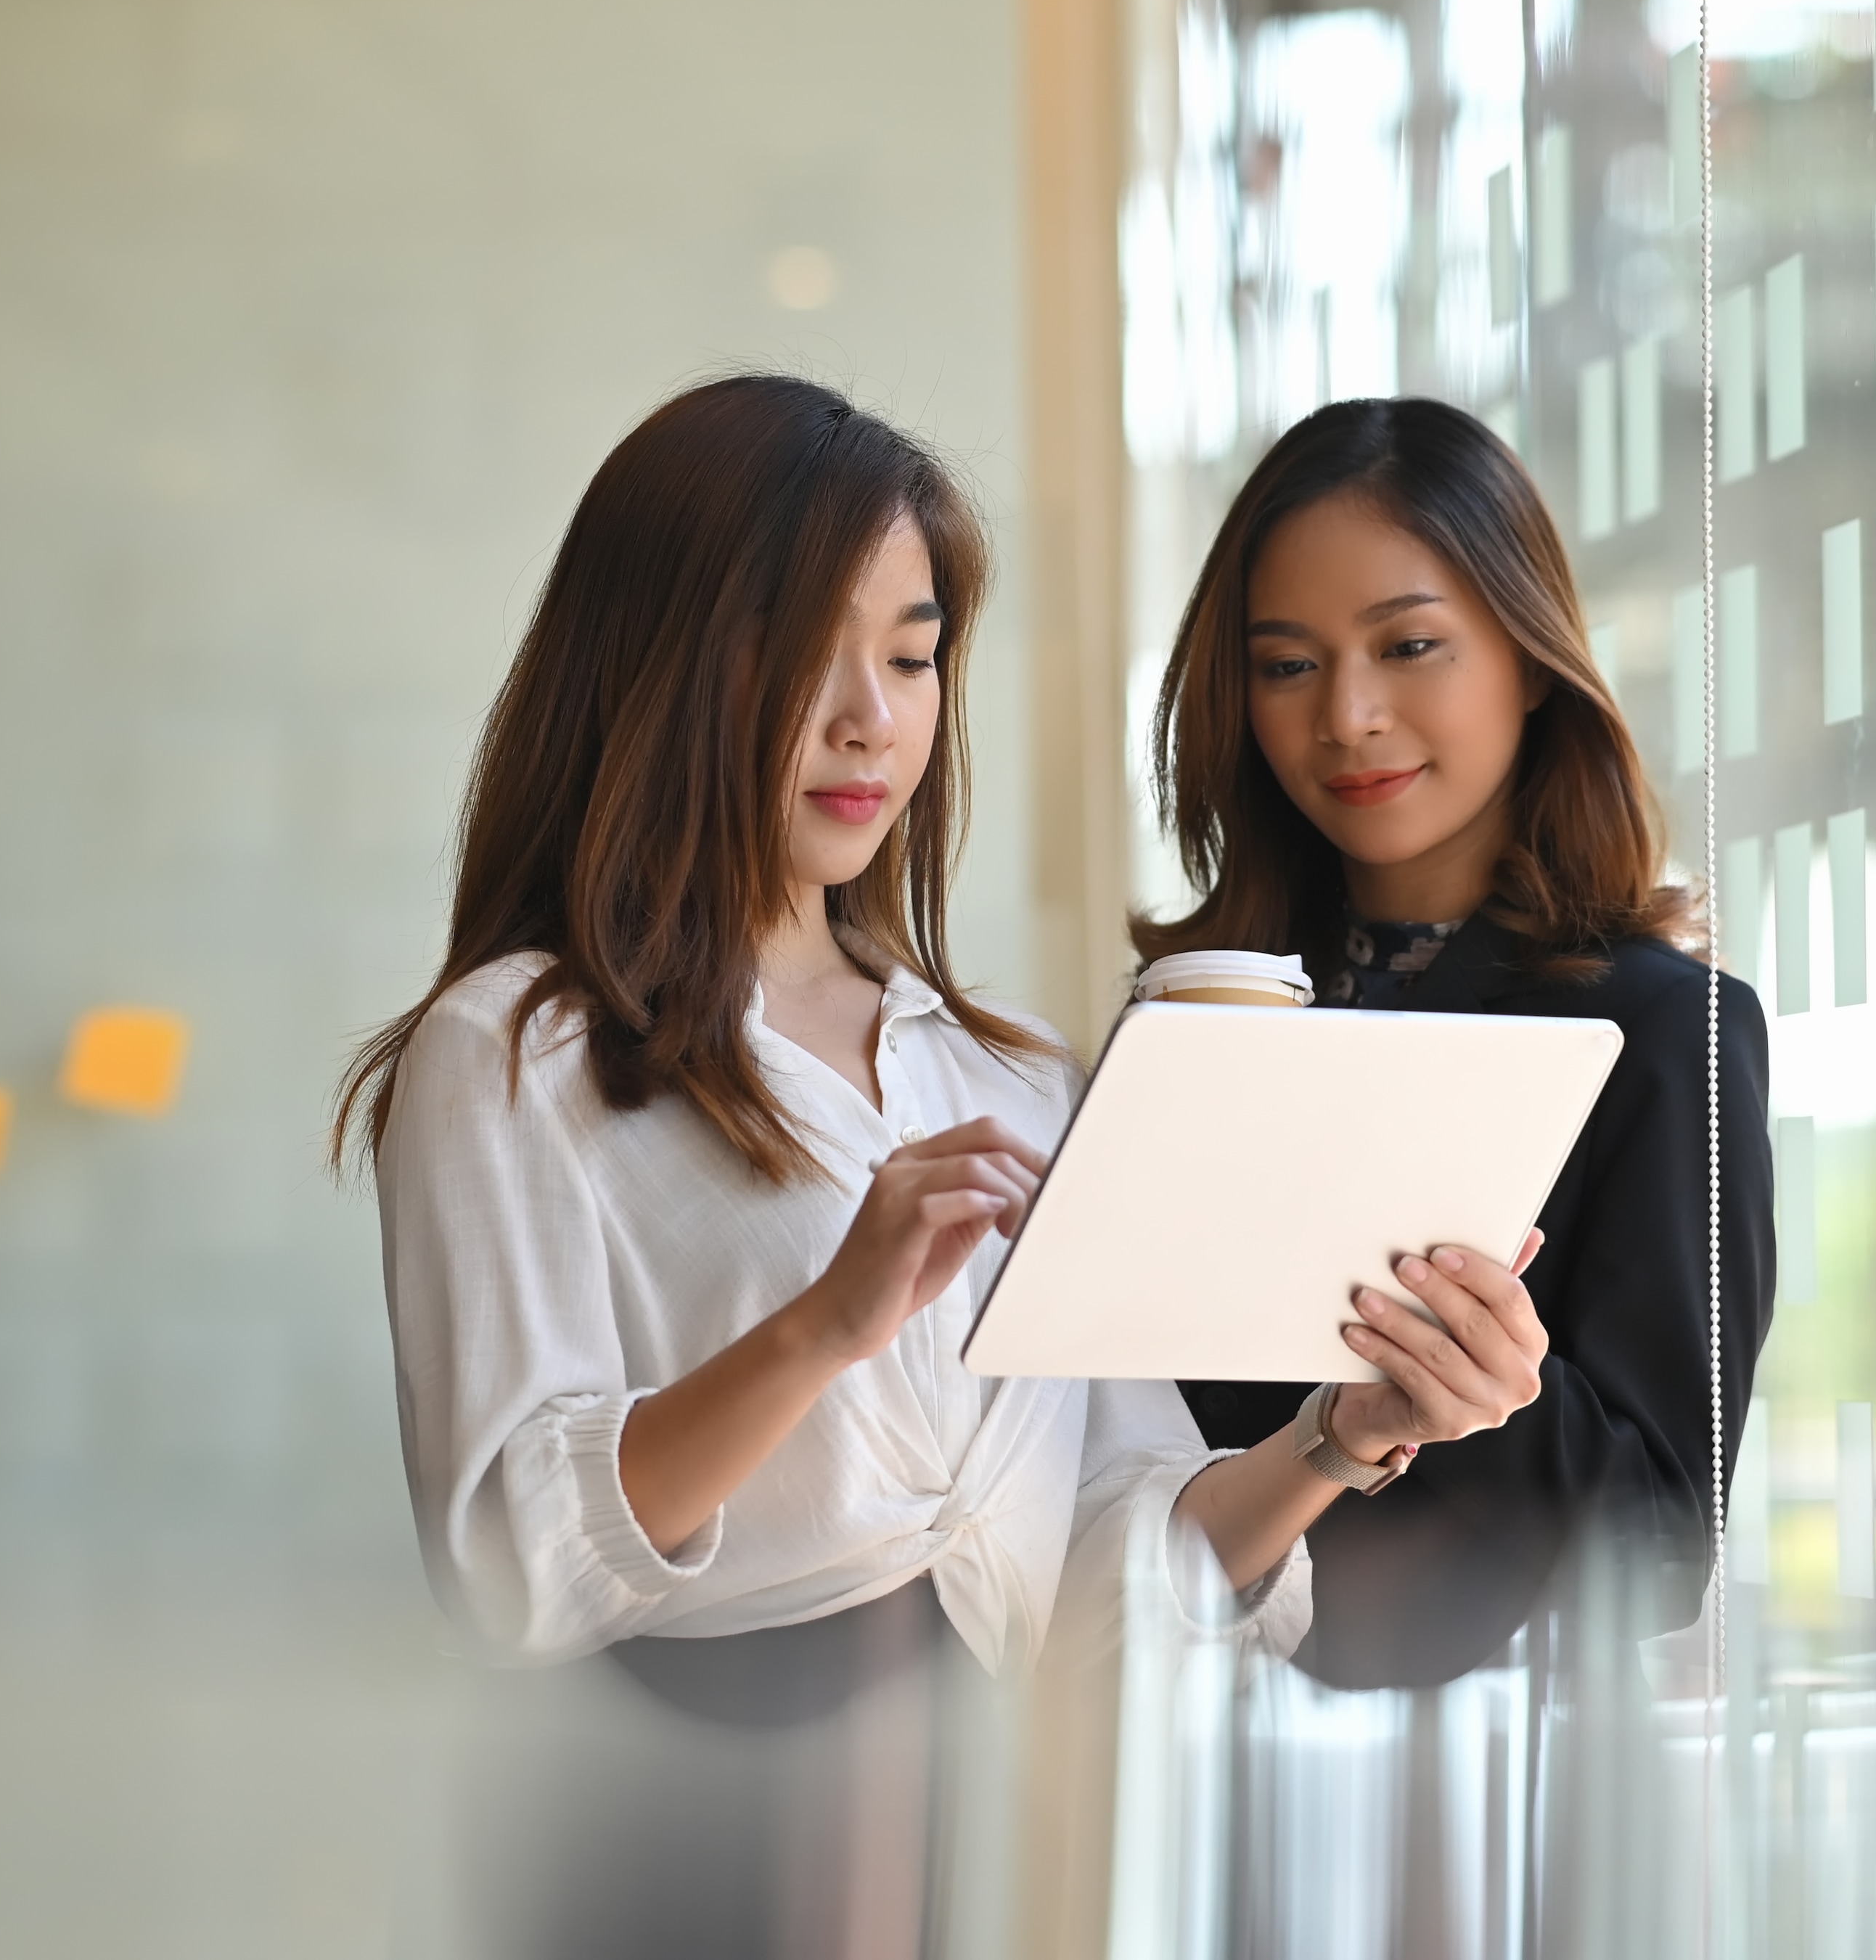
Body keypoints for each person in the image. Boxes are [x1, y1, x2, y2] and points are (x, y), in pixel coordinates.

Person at [335, 377, 1551, 1947]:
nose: (870, 717)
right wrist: (822, 1325)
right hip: (672, 1849)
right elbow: (510, 1561)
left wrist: (1337, 1435)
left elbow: (1120, 1566)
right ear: (657, 662)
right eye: (801, 655)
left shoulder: (1011, 1073)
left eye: (911, 656)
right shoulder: (515, 1052)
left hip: (972, 1853)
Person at [1142, 395, 1772, 1689]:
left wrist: (1497, 1388)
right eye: (1287, 665)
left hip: (1485, 1774)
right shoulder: (1196, 1030)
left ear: (1530, 656)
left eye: (1410, 644)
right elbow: (1113, 1465)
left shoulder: (1663, 1032)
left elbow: (1660, 1547)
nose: (1350, 717)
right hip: (1173, 1735)